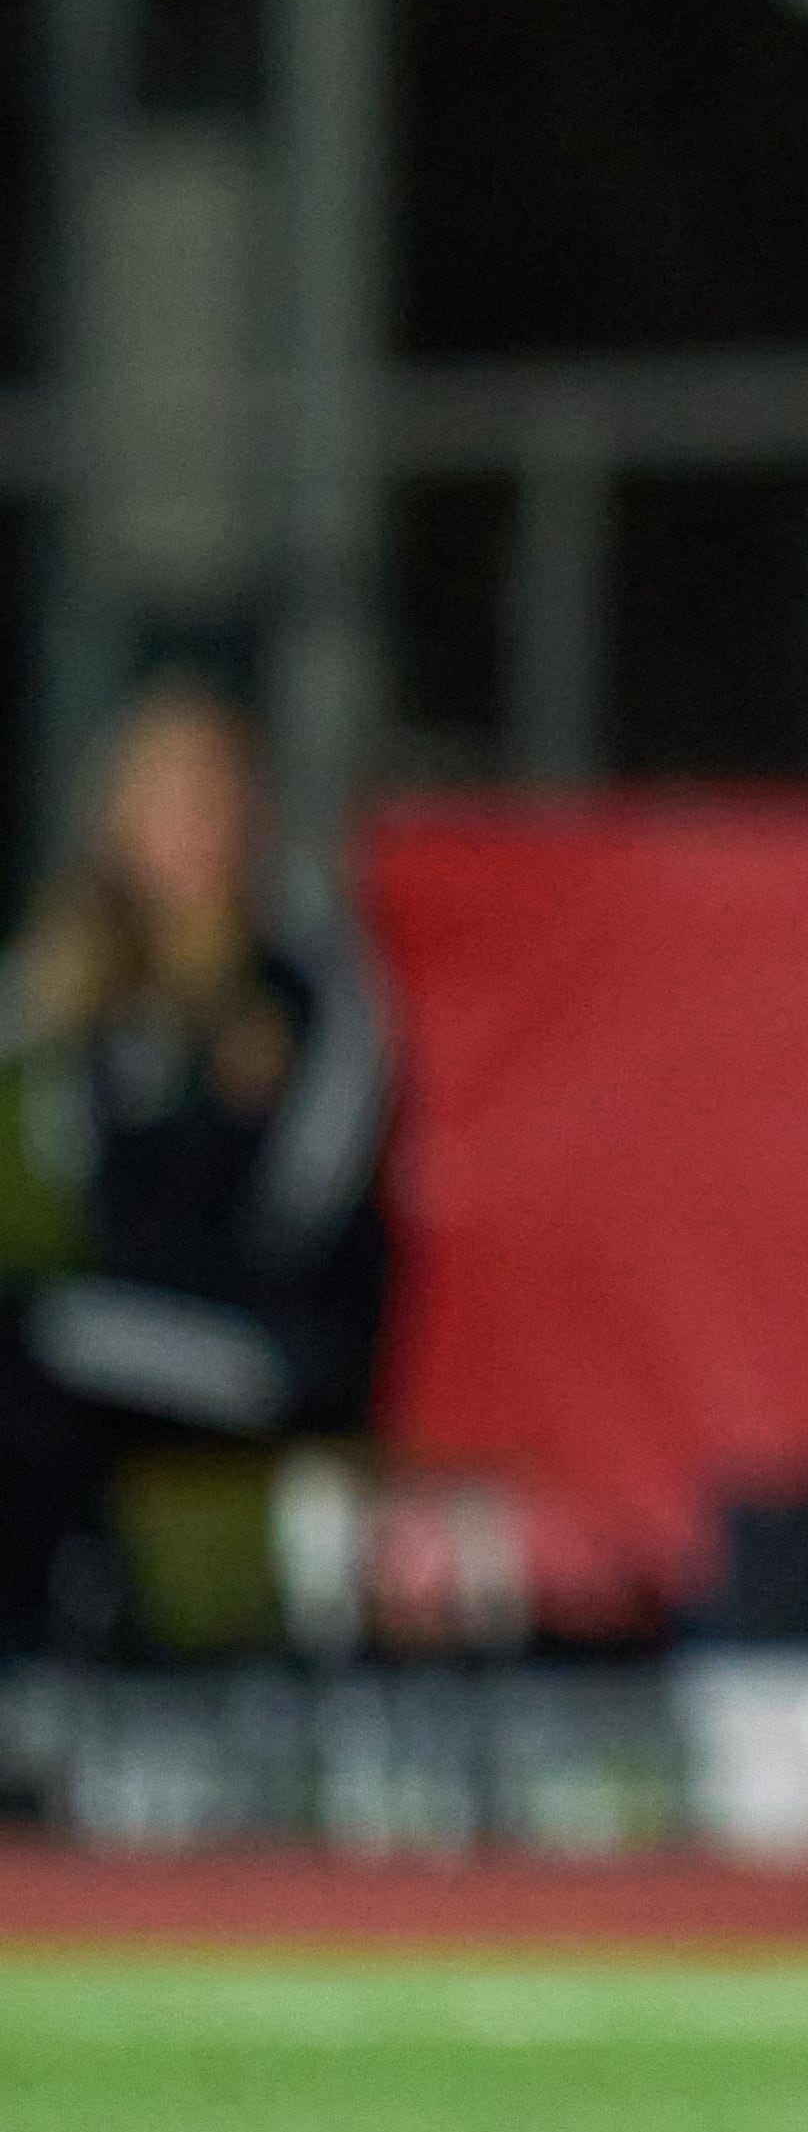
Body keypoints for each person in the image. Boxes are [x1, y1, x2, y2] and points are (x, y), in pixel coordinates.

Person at [0, 687, 393, 1656]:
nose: (195, 832)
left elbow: (297, 1217)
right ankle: (67, 1620)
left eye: (214, 799)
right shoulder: (87, 984)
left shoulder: (303, 982)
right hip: (123, 1323)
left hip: (273, 1342)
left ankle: (70, 1640)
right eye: (170, 802)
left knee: (21, 1341)